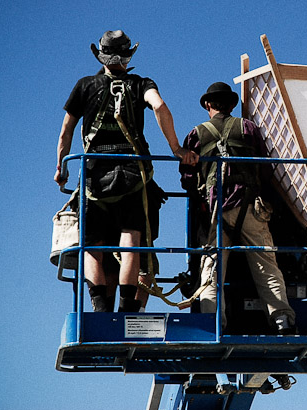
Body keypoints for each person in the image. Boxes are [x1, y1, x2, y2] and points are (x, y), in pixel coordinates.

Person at [54, 30, 199, 312]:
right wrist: (176, 149)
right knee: (131, 239)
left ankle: (99, 306)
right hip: (134, 174)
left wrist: (61, 167)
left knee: (92, 245)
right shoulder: (141, 83)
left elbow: (66, 131)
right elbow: (160, 106)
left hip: (94, 175)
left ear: (101, 56)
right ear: (129, 55)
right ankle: (127, 307)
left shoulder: (85, 85)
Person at [179, 82, 296, 334]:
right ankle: (282, 320)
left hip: (215, 211)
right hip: (250, 206)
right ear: (232, 105)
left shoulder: (196, 134)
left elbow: (187, 179)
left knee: (211, 270)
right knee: (266, 265)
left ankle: (212, 324)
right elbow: (266, 167)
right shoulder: (248, 128)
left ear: (208, 105)